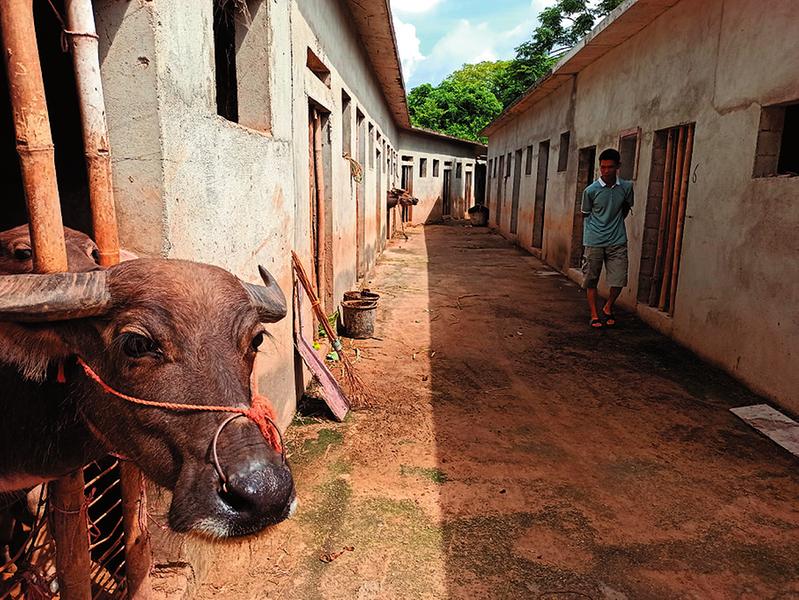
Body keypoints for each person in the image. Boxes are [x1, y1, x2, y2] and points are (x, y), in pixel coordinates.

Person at [580, 148, 634, 328]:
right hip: (594, 240)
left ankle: (608, 307)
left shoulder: (626, 187)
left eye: (610, 167)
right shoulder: (591, 191)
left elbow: (625, 208)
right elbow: (586, 214)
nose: (606, 171)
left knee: (619, 278)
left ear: (618, 166)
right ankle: (594, 314)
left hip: (617, 240)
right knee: (591, 279)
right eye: (602, 167)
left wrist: (615, 224)